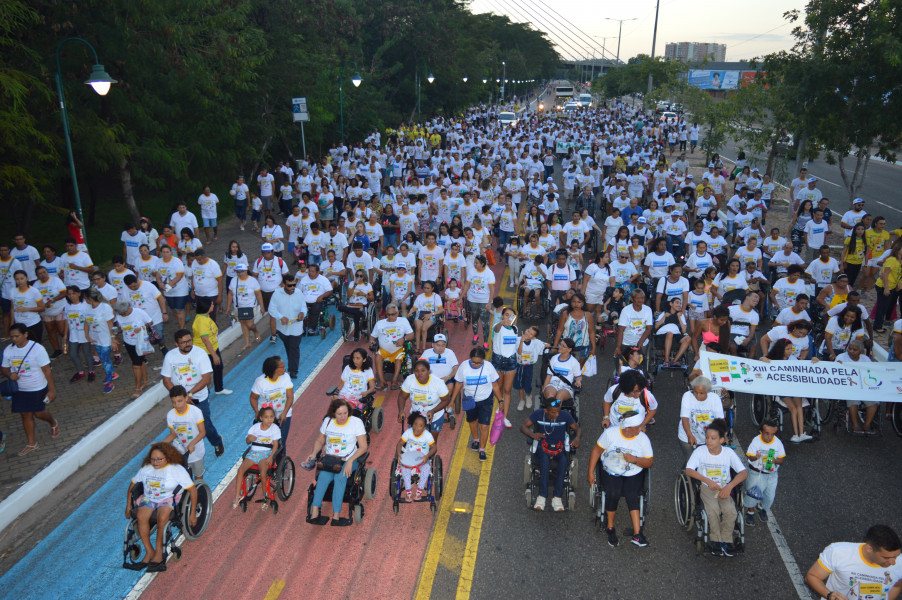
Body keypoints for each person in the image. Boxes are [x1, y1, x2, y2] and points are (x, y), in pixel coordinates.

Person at [126, 442, 197, 572]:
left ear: (167, 457)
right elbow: (132, 485)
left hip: (167, 498)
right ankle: (149, 551)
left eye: (159, 459)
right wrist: (128, 506)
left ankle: (159, 552)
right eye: (153, 459)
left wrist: (192, 514)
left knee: (162, 518)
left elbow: (193, 490)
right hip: (149, 497)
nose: (155, 462)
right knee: (141, 516)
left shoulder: (176, 470)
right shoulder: (146, 468)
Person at [588, 410, 653, 548]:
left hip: (633, 471)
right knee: (613, 493)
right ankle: (610, 527)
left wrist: (635, 460)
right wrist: (590, 472)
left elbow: (649, 462)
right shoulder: (611, 434)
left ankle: (637, 534)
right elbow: (596, 451)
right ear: (628, 427)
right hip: (611, 469)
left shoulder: (643, 439)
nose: (641, 429)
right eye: (637, 427)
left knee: (632, 494)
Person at [685, 418, 747, 557]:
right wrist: (706, 480)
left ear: (722, 440)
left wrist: (729, 487)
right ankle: (716, 540)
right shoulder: (700, 451)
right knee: (713, 510)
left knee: (730, 511)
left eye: (713, 438)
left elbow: (743, 473)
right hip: (707, 487)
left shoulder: (728, 453)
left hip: (724, 488)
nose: (708, 441)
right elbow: (689, 470)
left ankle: (726, 539)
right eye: (707, 437)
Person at [305, 398, 368, 526]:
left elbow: (363, 447)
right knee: (322, 477)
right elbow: (320, 440)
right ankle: (315, 511)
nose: (343, 417)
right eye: (339, 414)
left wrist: (351, 461)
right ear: (333, 413)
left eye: (345, 413)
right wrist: (313, 453)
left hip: (349, 458)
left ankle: (336, 516)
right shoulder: (328, 421)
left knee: (340, 477)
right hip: (330, 460)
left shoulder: (356, 422)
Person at [161, 329, 224, 457]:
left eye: (189, 340)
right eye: (183, 342)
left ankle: (217, 441)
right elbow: (166, 380)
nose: (187, 344)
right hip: (180, 399)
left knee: (205, 424)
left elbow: (206, 379)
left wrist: (188, 395)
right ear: (176, 344)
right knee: (181, 425)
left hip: (199, 398)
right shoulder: (170, 356)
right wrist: (180, 397)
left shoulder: (200, 353)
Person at [1, 323, 58, 456]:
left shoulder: (37, 349)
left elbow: (47, 370)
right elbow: (4, 368)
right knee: (25, 414)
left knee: (38, 413)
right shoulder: (9, 350)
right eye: (12, 337)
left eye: (17, 336)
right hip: (20, 389)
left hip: (37, 387)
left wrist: (52, 390)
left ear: (25, 334)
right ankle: (32, 443)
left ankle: (53, 422)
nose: (14, 339)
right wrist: (9, 374)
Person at [805, 524, 902, 600]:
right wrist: (829, 595)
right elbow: (812, 576)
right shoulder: (838, 552)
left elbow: (897, 585)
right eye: (886, 557)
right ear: (869, 549)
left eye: (896, 556)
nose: (893, 562)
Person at [521, 396, 581, 512]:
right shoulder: (538, 414)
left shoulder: (565, 415)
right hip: (543, 446)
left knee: (564, 461)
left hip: (559, 447)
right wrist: (533, 435)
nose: (557, 414)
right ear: (546, 410)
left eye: (558, 411)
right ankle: (542, 496)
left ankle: (557, 497)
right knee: (544, 461)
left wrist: (577, 438)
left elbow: (577, 429)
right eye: (554, 412)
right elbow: (523, 426)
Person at [451, 347, 502, 462]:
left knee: (484, 426)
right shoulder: (464, 366)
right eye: (473, 362)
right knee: (472, 421)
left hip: (486, 400)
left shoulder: (489, 367)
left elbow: (495, 385)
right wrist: (452, 400)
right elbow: (458, 384)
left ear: (483, 360)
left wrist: (500, 400)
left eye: (479, 363)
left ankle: (482, 449)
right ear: (470, 358)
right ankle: (476, 440)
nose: (476, 365)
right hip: (469, 400)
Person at [762, 339, 816, 443]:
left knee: (799, 407)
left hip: (794, 388)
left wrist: (813, 359)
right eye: (787, 349)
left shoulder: (793, 359)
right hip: (782, 389)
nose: (790, 351)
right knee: (793, 409)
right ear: (781, 350)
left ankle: (802, 434)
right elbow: (762, 360)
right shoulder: (773, 359)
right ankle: (795, 434)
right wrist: (763, 358)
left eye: (791, 348)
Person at [233, 406, 281, 511]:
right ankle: (237, 497)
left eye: (272, 417)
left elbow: (275, 445)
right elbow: (247, 441)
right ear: (261, 418)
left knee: (263, 473)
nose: (269, 419)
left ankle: (265, 498)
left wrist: (271, 457)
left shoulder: (275, 428)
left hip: (266, 453)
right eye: (266, 417)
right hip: (254, 453)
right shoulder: (255, 428)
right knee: (240, 470)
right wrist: (249, 439)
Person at [742, 419, 785, 527]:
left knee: (770, 496)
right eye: (767, 433)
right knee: (753, 494)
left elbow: (781, 460)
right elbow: (750, 457)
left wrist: (775, 461)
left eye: (772, 434)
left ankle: (761, 507)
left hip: (771, 474)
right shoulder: (756, 441)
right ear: (760, 432)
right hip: (756, 472)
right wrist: (755, 457)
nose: (769, 437)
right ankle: (750, 512)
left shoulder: (777, 443)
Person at [398, 359, 450, 441]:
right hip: (416, 416)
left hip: (435, 416)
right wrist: (401, 410)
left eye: (423, 370)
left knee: (431, 442)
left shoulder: (438, 383)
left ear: (429, 371)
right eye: (416, 371)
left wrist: (433, 411)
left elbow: (446, 400)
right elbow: (402, 397)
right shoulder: (410, 380)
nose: (419, 373)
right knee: (414, 441)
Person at [249, 356, 295, 450]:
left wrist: (284, 413)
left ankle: (281, 459)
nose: (284, 369)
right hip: (266, 416)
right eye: (282, 367)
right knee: (266, 442)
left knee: (281, 442)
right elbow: (253, 398)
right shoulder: (260, 382)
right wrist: (257, 412)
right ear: (274, 369)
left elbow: (290, 397)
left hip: (283, 414)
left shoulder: (285, 377)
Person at [267, 273, 307, 379]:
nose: (292, 287)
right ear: (283, 285)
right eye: (290, 285)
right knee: (288, 347)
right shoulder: (276, 294)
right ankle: (291, 364)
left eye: (294, 285)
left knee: (294, 347)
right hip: (282, 328)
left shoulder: (299, 293)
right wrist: (280, 317)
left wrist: (302, 313)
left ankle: (293, 370)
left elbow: (304, 307)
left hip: (296, 326)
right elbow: (271, 309)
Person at [162, 385, 206, 478]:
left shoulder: (196, 412)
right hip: (179, 453)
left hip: (196, 453)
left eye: (179, 401)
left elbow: (202, 432)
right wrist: (160, 445)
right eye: (173, 402)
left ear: (186, 398)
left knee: (198, 476)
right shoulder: (170, 415)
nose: (177, 405)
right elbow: (173, 434)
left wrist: (192, 444)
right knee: (183, 479)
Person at [192, 298, 233, 397]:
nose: (213, 306)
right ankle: (205, 394)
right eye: (211, 304)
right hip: (206, 351)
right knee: (206, 373)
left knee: (218, 367)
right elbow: (205, 340)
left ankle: (219, 388)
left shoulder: (205, 316)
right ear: (206, 307)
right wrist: (214, 355)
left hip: (213, 348)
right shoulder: (201, 321)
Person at [836, 340, 878, 435]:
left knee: (873, 401)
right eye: (850, 348)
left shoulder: (865, 359)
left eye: (855, 350)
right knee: (853, 400)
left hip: (863, 386)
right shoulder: (841, 357)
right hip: (848, 387)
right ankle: (855, 424)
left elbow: (871, 372)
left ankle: (867, 425)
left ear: (861, 351)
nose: (851, 351)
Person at [113, 300, 153, 399]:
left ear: (127, 309)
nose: (122, 315)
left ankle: (137, 388)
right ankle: (145, 381)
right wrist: (117, 330)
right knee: (140, 362)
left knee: (136, 366)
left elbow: (150, 322)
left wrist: (142, 327)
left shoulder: (138, 312)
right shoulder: (119, 316)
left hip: (140, 342)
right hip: (128, 342)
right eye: (120, 314)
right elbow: (120, 328)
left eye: (123, 313)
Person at [394, 412, 437, 503]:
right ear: (412, 425)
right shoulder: (408, 432)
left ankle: (419, 490)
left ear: (424, 428)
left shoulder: (427, 435)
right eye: (415, 424)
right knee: (404, 468)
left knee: (426, 468)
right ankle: (408, 491)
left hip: (422, 459)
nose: (416, 427)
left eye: (420, 425)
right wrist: (399, 454)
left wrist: (427, 456)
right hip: (408, 458)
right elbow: (400, 444)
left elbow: (434, 448)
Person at [677, 377, 725, 457]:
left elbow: (720, 420)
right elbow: (685, 418)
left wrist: (723, 434)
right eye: (695, 392)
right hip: (686, 435)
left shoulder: (715, 399)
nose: (698, 396)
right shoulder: (687, 396)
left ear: (708, 391)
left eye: (701, 393)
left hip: (708, 438)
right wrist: (689, 435)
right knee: (691, 459)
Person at [253, 243, 289, 342]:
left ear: (273, 252)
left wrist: (283, 284)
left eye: (268, 252)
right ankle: (276, 330)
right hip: (264, 292)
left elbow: (286, 275)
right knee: (272, 313)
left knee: (273, 313)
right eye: (264, 253)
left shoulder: (280, 261)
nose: (266, 255)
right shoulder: (258, 261)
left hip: (277, 291)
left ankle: (273, 335)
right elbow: (254, 275)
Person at [491, 306, 519, 427]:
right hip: (498, 360)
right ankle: (499, 405)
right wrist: (503, 322)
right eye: (506, 315)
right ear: (502, 316)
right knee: (499, 387)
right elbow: (497, 329)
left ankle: (505, 417)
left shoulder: (515, 329)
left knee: (507, 390)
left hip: (511, 361)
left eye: (511, 316)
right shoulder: (497, 326)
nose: (509, 317)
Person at [462, 255, 496, 348]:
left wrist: (489, 303)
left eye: (476, 263)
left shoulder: (489, 273)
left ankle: (485, 342)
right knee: (474, 319)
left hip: (485, 301)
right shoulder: (471, 271)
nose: (474, 264)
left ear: (482, 264)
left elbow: (492, 289)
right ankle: (475, 335)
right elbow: (467, 284)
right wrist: (461, 297)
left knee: (485, 323)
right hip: (472, 300)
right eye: (474, 262)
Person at [514, 325, 546, 411]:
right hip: (520, 365)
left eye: (531, 334)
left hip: (529, 366)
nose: (528, 334)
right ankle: (521, 400)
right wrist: (521, 342)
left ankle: (528, 395)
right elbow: (519, 352)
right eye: (528, 331)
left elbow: (546, 345)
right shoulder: (518, 340)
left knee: (527, 383)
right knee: (520, 383)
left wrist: (547, 345)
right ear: (526, 330)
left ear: (533, 337)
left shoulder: (536, 342)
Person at [541, 338, 582, 404]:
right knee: (550, 395)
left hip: (566, 386)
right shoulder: (554, 359)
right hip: (553, 384)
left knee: (559, 397)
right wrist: (544, 389)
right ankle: (552, 408)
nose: (560, 347)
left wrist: (578, 381)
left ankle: (553, 408)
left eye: (563, 346)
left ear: (569, 349)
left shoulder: (574, 362)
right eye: (560, 344)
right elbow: (549, 376)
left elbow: (578, 376)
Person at [654, 297, 692, 367]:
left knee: (688, 338)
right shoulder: (664, 313)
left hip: (676, 334)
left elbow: (684, 331)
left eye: (680, 303)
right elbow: (656, 326)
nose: (679, 305)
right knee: (670, 333)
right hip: (663, 334)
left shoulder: (681, 315)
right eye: (677, 303)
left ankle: (674, 361)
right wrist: (664, 316)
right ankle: (666, 361)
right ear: (671, 304)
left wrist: (679, 317)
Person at [615, 289, 653, 357]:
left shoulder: (648, 310)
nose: (640, 300)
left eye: (642, 298)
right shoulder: (626, 310)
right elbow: (621, 329)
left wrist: (641, 342)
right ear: (632, 299)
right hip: (627, 343)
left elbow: (648, 328)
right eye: (637, 298)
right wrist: (618, 347)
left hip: (642, 342)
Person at [412, 280, 443, 352]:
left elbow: (441, 310)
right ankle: (417, 347)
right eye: (425, 288)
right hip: (420, 314)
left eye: (428, 288)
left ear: (432, 288)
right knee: (418, 328)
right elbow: (414, 308)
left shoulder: (436, 297)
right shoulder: (420, 297)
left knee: (424, 328)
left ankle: (424, 347)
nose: (426, 290)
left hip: (431, 315)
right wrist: (410, 312)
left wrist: (430, 315)